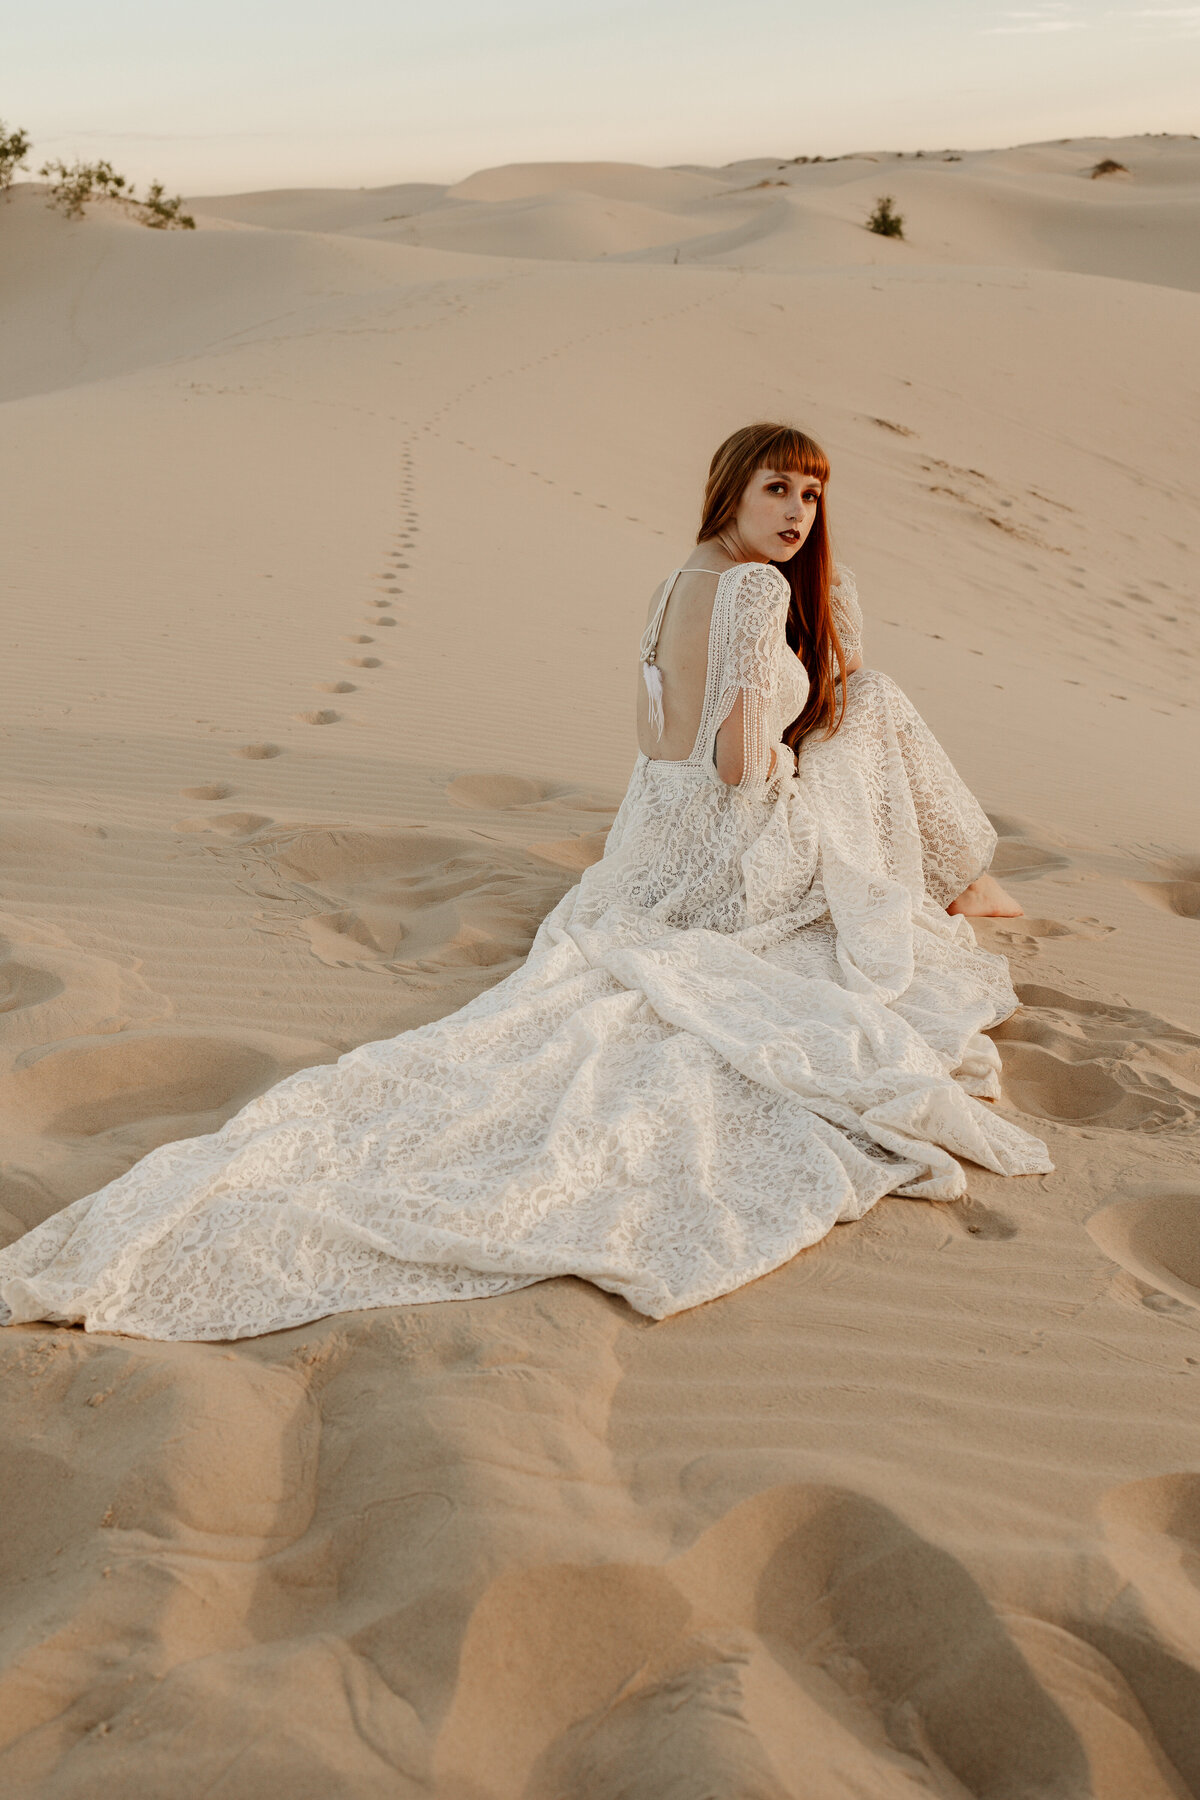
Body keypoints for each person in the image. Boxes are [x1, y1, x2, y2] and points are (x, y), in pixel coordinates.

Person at [0, 422, 1051, 1342]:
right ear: (729, 488)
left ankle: (961, 872)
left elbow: (655, 737)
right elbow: (737, 766)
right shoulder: (752, 590)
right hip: (731, 863)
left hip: (650, 848)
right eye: (777, 487)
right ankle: (965, 876)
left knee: (862, 704)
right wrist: (799, 739)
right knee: (871, 711)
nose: (796, 510)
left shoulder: (676, 579)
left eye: (812, 494)